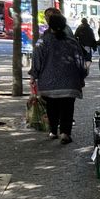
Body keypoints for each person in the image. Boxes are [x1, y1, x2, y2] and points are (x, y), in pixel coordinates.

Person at [30, 13, 87, 144]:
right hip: (70, 82)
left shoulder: (42, 42)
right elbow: (80, 62)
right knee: (68, 107)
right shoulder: (72, 42)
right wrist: (81, 76)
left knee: (51, 106)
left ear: (50, 25)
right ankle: (65, 133)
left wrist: (34, 75)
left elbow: (36, 61)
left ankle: (53, 130)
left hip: (48, 82)